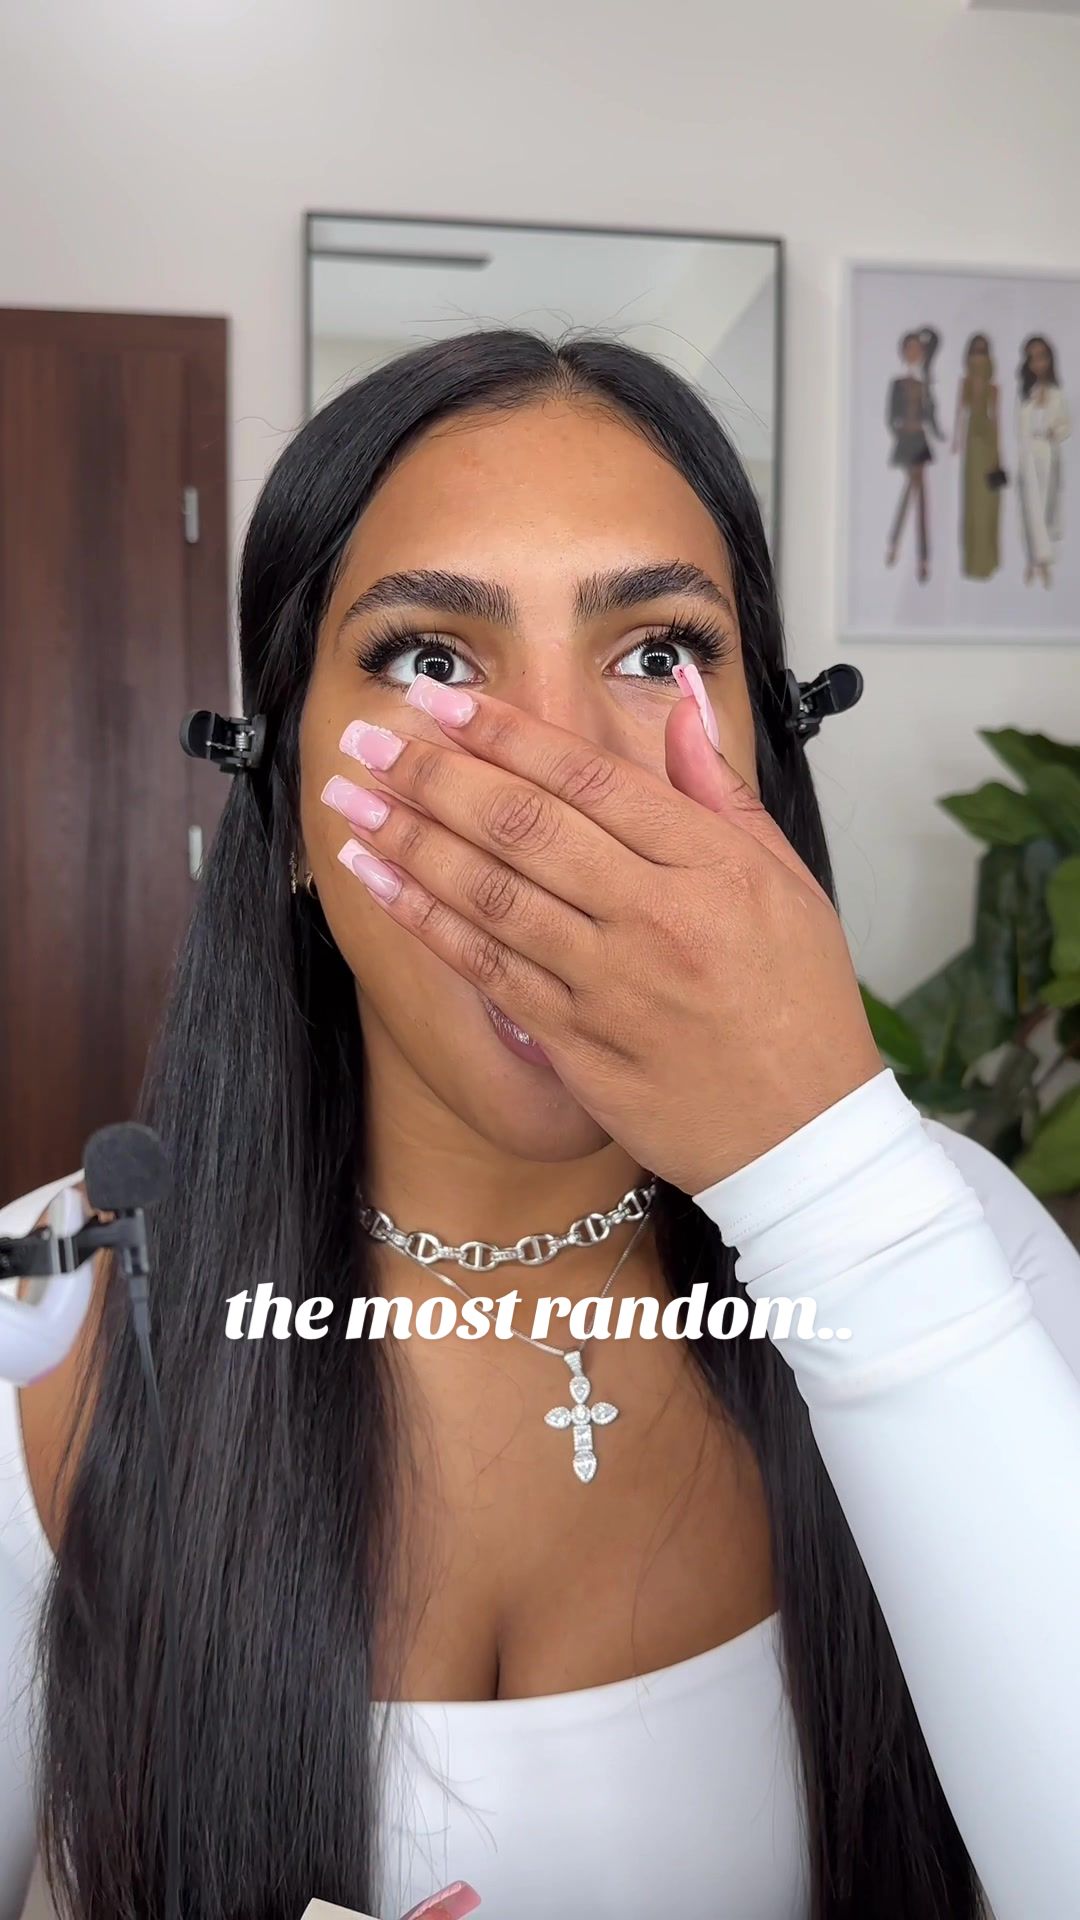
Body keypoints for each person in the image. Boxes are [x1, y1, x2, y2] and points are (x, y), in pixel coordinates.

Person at [1, 328, 1079, 1920]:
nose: (563, 786)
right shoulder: (46, 1315)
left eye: (658, 653)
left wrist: (834, 1178)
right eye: (431, 659)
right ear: (285, 807)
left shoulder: (958, 1245)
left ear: (769, 772)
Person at [885, 325, 945, 582]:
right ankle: (916, 556)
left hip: (920, 441)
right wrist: (899, 431)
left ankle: (905, 551)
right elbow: (891, 416)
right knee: (913, 493)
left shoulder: (924, 384)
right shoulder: (897, 384)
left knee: (917, 495)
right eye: (909, 348)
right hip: (906, 440)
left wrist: (942, 435)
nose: (913, 353)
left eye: (917, 349)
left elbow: (931, 416)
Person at [1016, 334, 1071, 587]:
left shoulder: (1057, 394)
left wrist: (1054, 432)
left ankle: (1044, 561)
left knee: (1046, 507)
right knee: (1030, 508)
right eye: (1033, 358)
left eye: (1042, 357)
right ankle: (1033, 560)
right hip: (1028, 456)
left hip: (1048, 454)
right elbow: (1020, 429)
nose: (1038, 363)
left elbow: (1066, 426)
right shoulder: (1025, 395)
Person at [952, 333, 1002, 579]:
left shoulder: (994, 388)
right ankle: (973, 561)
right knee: (973, 499)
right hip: (972, 442)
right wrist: (956, 440)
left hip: (988, 441)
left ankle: (988, 559)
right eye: (975, 351)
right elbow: (960, 413)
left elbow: (997, 420)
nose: (979, 357)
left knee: (989, 500)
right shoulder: (965, 384)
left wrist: (998, 452)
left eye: (983, 352)